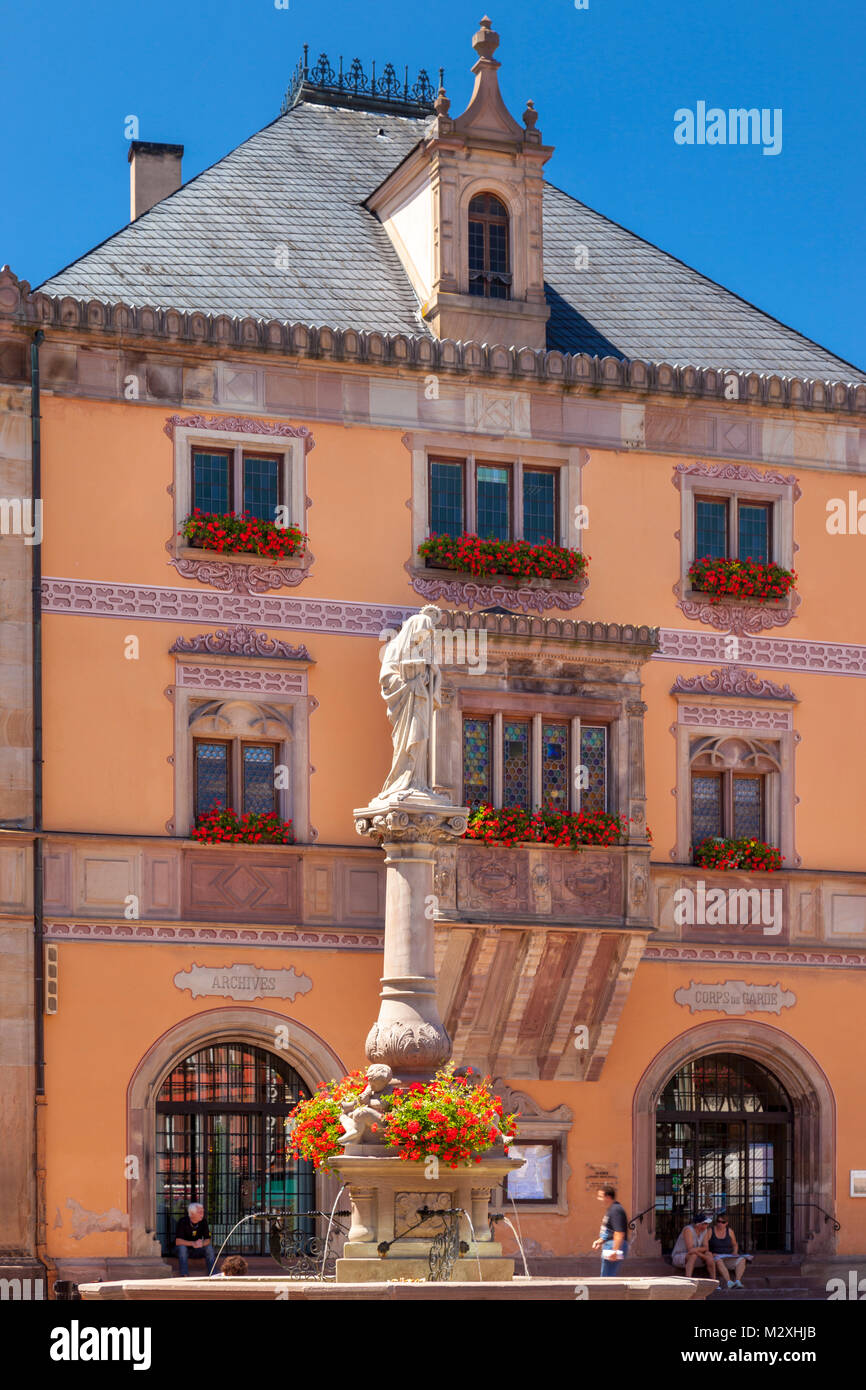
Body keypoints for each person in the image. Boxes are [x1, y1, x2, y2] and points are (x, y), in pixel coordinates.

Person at [591, 1185, 629, 1276]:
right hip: (611, 1245)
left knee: (607, 1279)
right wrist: (600, 1241)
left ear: (607, 1197)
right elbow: (610, 1230)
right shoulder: (612, 1209)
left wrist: (614, 1251)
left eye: (600, 1196)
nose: (598, 1199)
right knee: (607, 1277)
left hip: (613, 1246)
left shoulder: (616, 1210)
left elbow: (619, 1232)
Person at [174, 1202, 216, 1277]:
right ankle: (184, 1274)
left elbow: (208, 1240)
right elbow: (178, 1241)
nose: (202, 1214)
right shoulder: (183, 1222)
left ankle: (213, 1273)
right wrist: (193, 1243)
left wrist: (202, 1243)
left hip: (197, 1250)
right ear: (192, 1213)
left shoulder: (203, 1221)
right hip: (184, 1251)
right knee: (182, 1248)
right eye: (200, 1212)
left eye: (203, 1211)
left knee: (209, 1247)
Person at [708, 1213, 748, 1289]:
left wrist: (735, 1252)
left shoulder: (729, 1231)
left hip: (728, 1256)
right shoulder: (711, 1231)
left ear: (726, 1223)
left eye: (722, 1222)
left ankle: (738, 1281)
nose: (720, 1224)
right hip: (716, 1257)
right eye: (718, 1221)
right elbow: (705, 1244)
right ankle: (729, 1282)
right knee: (718, 1260)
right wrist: (711, 1253)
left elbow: (735, 1244)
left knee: (742, 1259)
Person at [671, 1212, 716, 1278]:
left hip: (697, 1255)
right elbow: (690, 1250)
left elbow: (706, 1247)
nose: (707, 1225)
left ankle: (714, 1281)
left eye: (707, 1224)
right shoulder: (688, 1230)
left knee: (709, 1254)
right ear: (698, 1224)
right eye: (705, 1223)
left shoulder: (705, 1230)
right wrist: (705, 1257)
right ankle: (688, 1280)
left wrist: (697, 1250)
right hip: (680, 1257)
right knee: (693, 1255)